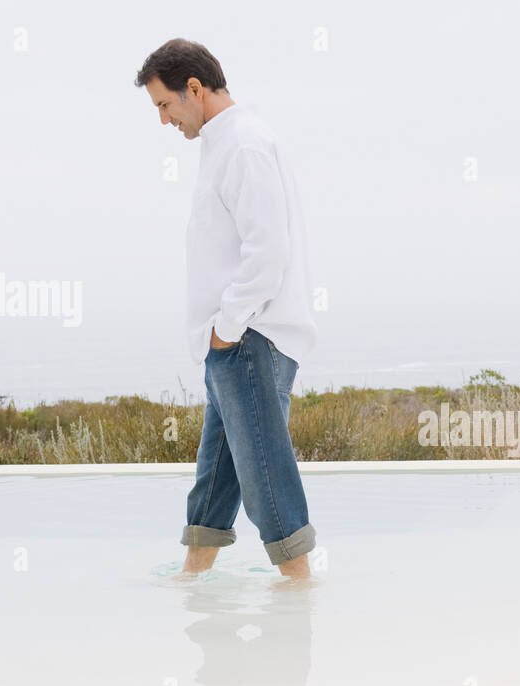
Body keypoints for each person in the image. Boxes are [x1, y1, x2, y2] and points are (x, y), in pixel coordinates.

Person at [135, 38, 317, 580]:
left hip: (248, 337)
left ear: (194, 88)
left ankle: (301, 591)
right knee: (217, 471)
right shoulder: (224, 143)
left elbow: (268, 253)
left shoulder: (242, 144)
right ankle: (193, 575)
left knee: (265, 472)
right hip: (231, 343)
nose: (164, 121)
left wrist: (227, 329)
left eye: (165, 105)